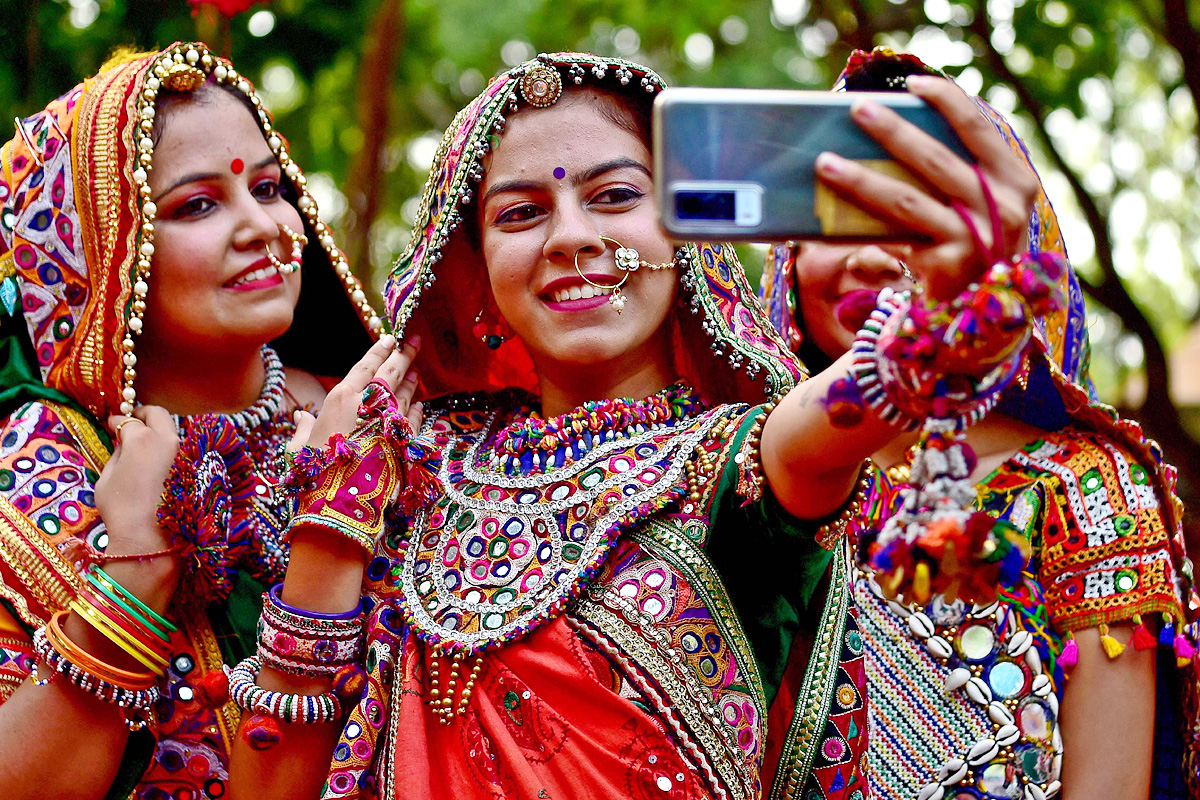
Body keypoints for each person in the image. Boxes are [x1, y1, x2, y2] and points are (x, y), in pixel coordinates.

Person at [228, 51, 1054, 800]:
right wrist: (334, 526)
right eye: (520, 214)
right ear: (475, 273)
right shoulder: (402, 475)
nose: (572, 237)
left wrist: (962, 299)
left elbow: (855, 399)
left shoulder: (731, 465)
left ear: (688, 234)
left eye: (615, 196)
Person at [760, 47, 1200, 800]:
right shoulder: (737, 475)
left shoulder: (1084, 491)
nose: (870, 255)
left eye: (918, 213)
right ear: (787, 252)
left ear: (1005, 242)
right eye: (838, 213)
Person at [0, 42, 381, 799]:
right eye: (197, 204)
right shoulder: (34, 474)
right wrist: (133, 574)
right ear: (96, 248)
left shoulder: (372, 414)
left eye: (269, 188)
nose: (263, 226)